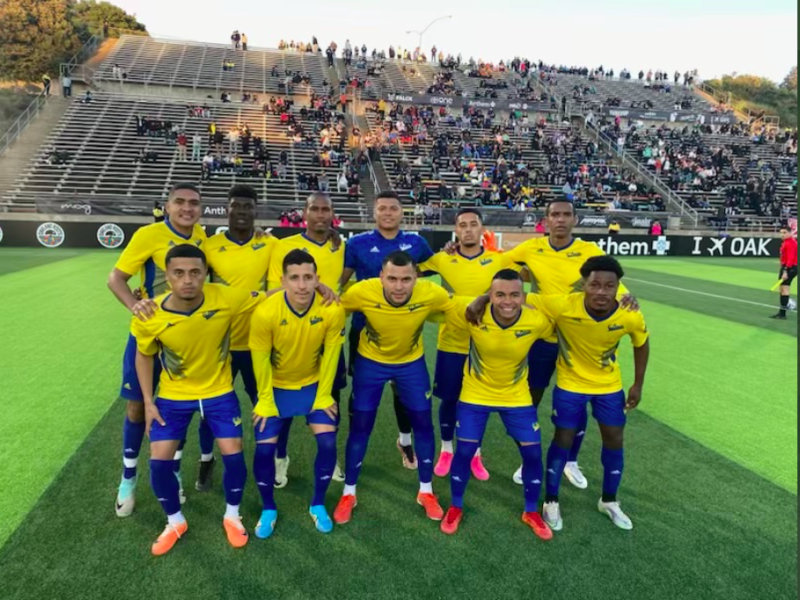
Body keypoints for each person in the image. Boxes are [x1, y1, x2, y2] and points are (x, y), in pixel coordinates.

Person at [131, 243, 268, 555]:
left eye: (195, 272)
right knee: (159, 461)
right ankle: (175, 521)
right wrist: (149, 403)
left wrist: (317, 287)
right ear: (167, 276)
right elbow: (143, 356)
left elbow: (270, 296)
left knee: (233, 452)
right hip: (173, 396)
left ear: (205, 273)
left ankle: (232, 515)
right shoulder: (149, 313)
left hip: (219, 393)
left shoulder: (225, 297)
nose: (188, 279)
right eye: (179, 273)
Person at [499, 200, 635, 487]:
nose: (560, 219)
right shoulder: (530, 249)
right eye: (554, 215)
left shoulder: (589, 251)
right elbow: (502, 269)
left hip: (578, 340)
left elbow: (612, 282)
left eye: (565, 214)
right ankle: (528, 460)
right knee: (528, 400)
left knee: (580, 402)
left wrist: (628, 297)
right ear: (546, 220)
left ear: (575, 219)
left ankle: (571, 461)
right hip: (541, 338)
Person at [107, 183, 210, 518]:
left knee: (177, 409)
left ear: (200, 208)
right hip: (150, 337)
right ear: (167, 206)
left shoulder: (202, 238)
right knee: (137, 409)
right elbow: (116, 279)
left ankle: (174, 472)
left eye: (193, 203)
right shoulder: (149, 235)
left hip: (187, 340)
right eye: (179, 202)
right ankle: (128, 479)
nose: (187, 208)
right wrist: (134, 307)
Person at [333, 251, 455, 525]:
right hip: (370, 365)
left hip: (411, 365)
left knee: (424, 425)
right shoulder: (362, 291)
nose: (399, 286)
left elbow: (458, 306)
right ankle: (348, 492)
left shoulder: (430, 292)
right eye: (392, 279)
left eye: (406, 279)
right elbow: (333, 307)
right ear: (381, 278)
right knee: (361, 427)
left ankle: (426, 491)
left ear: (416, 278)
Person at [529, 256, 650, 531]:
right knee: (563, 436)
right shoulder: (563, 305)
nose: (601, 292)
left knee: (614, 438)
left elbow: (641, 343)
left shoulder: (629, 313)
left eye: (609, 286)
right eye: (595, 284)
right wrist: (481, 299)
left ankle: (609, 500)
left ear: (619, 288)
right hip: (570, 384)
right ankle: (551, 501)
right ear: (584, 284)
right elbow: (516, 297)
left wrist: (638, 384)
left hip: (608, 387)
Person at [439, 270, 554, 540]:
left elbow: (559, 326)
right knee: (465, 452)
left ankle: (530, 511)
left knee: (533, 455)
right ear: (490, 296)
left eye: (515, 294)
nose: (507, 301)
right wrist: (476, 301)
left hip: (516, 397)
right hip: (475, 395)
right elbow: (440, 303)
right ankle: (455, 506)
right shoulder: (473, 315)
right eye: (499, 294)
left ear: (523, 296)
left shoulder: (536, 321)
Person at [250, 250, 346, 538]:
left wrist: (324, 395)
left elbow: (331, 356)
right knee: (264, 449)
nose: (302, 285)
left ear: (318, 279)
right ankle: (268, 507)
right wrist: (265, 400)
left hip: (313, 386)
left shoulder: (331, 309)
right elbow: (261, 360)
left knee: (328, 443)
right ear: (283, 280)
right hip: (276, 389)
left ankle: (317, 504)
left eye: (308, 277)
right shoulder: (266, 312)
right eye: (295, 278)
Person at [418, 208, 517, 480]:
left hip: (486, 345)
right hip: (451, 342)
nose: (469, 229)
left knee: (478, 402)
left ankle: (475, 453)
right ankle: (447, 449)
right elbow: (410, 269)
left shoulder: (499, 260)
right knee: (449, 399)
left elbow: (520, 283)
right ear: (456, 230)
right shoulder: (441, 259)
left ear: (481, 228)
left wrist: (485, 298)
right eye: (463, 225)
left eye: (474, 224)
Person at [340, 192, 435, 471]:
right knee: (359, 394)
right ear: (374, 212)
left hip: (405, 332)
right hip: (363, 332)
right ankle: (353, 444)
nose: (388, 213)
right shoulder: (357, 243)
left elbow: (435, 270)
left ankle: (405, 441)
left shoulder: (416, 243)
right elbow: (341, 281)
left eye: (394, 208)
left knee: (401, 391)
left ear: (401, 212)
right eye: (382, 208)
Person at [201, 186, 278, 490]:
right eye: (236, 206)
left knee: (264, 403)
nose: (242, 211)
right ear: (227, 209)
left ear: (255, 210)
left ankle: (267, 459)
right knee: (210, 407)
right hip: (220, 344)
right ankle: (206, 459)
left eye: (248, 207)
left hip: (257, 343)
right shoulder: (209, 246)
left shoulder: (270, 244)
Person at [266, 192, 346, 487]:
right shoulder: (284, 247)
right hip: (289, 335)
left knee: (331, 399)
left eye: (326, 209)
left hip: (328, 334)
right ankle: (280, 457)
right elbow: (273, 292)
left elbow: (345, 277)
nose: (321, 214)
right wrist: (317, 286)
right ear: (304, 212)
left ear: (332, 214)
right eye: (315, 209)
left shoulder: (341, 245)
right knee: (283, 404)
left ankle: (330, 455)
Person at [771, 228, 797, 320]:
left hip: (790, 268)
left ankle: (783, 313)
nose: (782, 234)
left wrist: (785, 271)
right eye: (781, 233)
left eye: (785, 232)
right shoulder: (786, 242)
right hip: (786, 267)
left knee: (785, 290)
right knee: (782, 289)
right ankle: (782, 312)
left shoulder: (791, 243)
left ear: (790, 233)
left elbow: (790, 258)